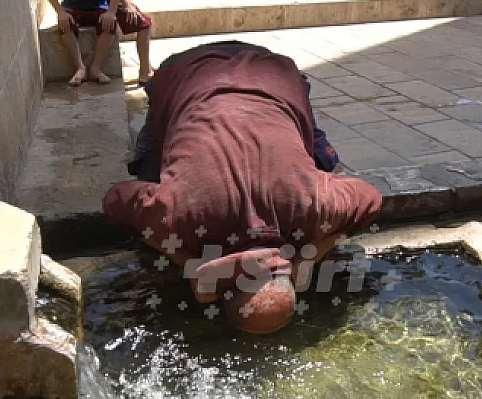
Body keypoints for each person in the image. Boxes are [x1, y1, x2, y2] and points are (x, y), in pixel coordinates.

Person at [103, 42, 381, 334]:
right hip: (196, 72)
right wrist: (187, 263)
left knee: (322, 163)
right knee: (148, 171)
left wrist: (311, 255)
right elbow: (114, 200)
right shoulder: (176, 215)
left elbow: (371, 199)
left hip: (267, 74)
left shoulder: (316, 206)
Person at [40, 0, 154, 86]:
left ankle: (140, 69)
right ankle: (80, 68)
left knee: (130, 22)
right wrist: (60, 11)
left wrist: (119, 7)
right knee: (65, 24)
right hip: (75, 7)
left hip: (99, 5)